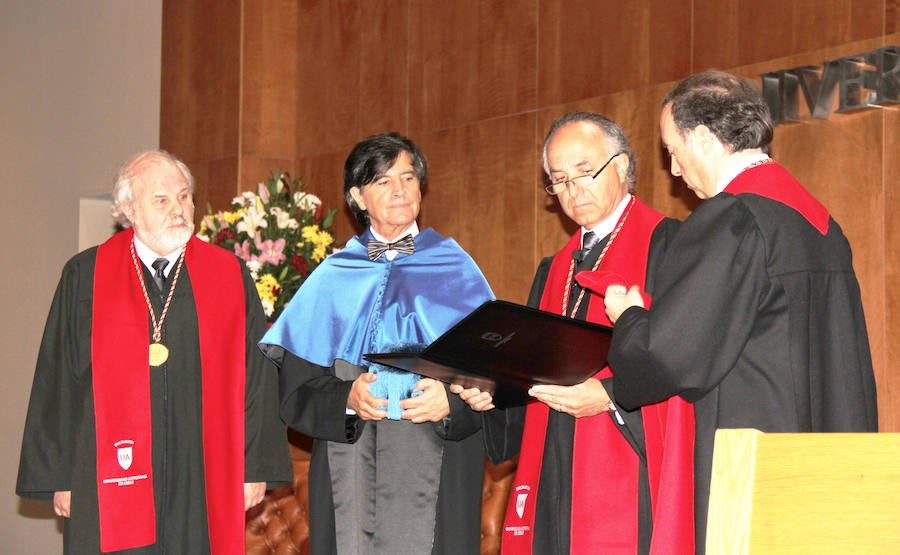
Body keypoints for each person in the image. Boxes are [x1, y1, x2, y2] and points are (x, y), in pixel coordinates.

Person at [604, 70, 879, 552]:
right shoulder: (820, 224)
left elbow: (669, 356)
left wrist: (629, 318)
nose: (674, 170)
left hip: (755, 465)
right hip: (828, 464)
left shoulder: (731, 219)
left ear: (703, 139)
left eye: (673, 150)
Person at [16, 150, 292, 554]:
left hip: (201, 471)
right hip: (104, 473)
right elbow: (59, 377)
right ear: (129, 210)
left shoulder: (228, 275)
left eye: (183, 197)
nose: (177, 209)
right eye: (161, 200)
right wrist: (60, 476)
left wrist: (255, 467)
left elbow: (258, 377)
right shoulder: (86, 275)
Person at [456, 112, 695, 554]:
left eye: (585, 172)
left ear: (622, 165)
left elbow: (686, 359)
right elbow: (529, 373)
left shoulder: (670, 245)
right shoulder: (553, 269)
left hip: (628, 461)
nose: (573, 189)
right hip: (554, 467)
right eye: (560, 180)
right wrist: (493, 393)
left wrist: (610, 397)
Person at [259, 132, 494, 555]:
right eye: (383, 181)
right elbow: (297, 385)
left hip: (437, 456)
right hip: (352, 460)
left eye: (408, 178)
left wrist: (452, 402)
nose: (400, 190)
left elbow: (495, 372)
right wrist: (346, 398)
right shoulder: (332, 275)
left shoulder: (456, 267)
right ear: (358, 197)